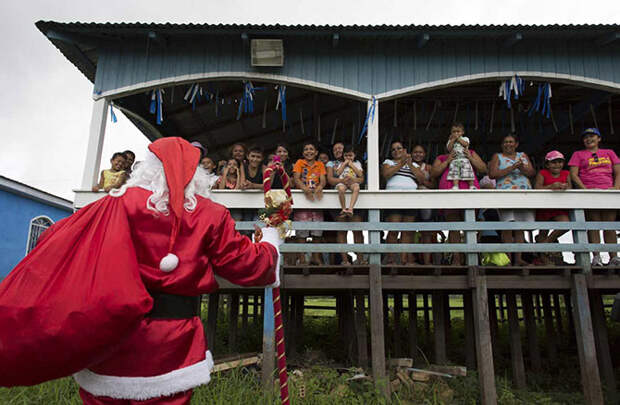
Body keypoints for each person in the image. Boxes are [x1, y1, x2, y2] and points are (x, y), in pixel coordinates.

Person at [0, 137, 283, 404]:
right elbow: (247, 265)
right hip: (171, 341)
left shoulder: (114, 203)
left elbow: (60, 237)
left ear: (147, 168)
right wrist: (270, 240)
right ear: (194, 173)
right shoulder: (209, 214)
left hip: (110, 330)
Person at [431, 125, 487, 265]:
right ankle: (456, 258)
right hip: (451, 191)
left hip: (469, 192)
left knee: (469, 225)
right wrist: (448, 160)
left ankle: (470, 259)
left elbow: (483, 169)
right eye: (453, 133)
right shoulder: (442, 157)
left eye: (458, 132)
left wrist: (470, 158)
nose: (456, 135)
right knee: (454, 225)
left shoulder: (471, 152)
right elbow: (434, 173)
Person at [568, 127, 620, 266]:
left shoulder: (609, 152)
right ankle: (596, 257)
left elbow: (618, 171)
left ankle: (613, 256)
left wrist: (616, 188)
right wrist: (585, 190)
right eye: (586, 137)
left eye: (592, 136)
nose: (589, 139)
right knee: (593, 223)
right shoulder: (578, 154)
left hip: (608, 191)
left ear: (599, 138)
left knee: (609, 225)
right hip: (590, 191)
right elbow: (573, 174)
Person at [488, 133, 536, 266]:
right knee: (507, 225)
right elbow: (492, 174)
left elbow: (532, 173)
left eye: (511, 142)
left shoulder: (523, 156)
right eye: (505, 142)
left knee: (520, 226)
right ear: (502, 145)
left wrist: (521, 167)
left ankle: (519, 258)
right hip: (505, 193)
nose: (508, 144)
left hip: (523, 193)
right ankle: (509, 259)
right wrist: (511, 168)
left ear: (516, 144)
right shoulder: (497, 157)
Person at [382, 140, 428, 265]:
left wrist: (410, 164)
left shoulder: (414, 165)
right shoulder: (388, 162)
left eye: (399, 148)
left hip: (410, 199)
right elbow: (386, 174)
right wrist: (401, 164)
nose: (396, 151)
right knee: (393, 229)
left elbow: (422, 179)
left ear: (405, 150)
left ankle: (403, 259)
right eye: (393, 149)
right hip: (393, 198)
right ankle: (391, 259)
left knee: (407, 231)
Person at [326, 142, 366, 265]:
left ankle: (360, 259)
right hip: (339, 198)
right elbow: (332, 179)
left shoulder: (356, 163)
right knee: (341, 230)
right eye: (335, 149)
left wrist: (353, 179)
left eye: (340, 148)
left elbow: (361, 178)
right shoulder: (331, 164)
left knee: (357, 230)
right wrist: (343, 180)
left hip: (354, 200)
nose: (338, 150)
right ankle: (344, 260)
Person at [293, 141, 326, 265]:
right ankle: (302, 259)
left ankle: (315, 257)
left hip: (316, 200)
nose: (309, 151)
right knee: (301, 233)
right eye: (306, 149)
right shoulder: (299, 163)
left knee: (317, 232)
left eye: (311, 149)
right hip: (302, 199)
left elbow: (322, 180)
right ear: (303, 153)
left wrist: (319, 188)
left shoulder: (320, 164)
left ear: (316, 152)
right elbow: (296, 179)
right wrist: (304, 189)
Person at [534, 150, 571, 245]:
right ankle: (542, 257)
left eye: (560, 162)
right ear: (547, 164)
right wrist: (551, 186)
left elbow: (570, 188)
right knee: (543, 232)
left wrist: (565, 187)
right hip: (544, 207)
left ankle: (546, 243)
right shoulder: (542, 173)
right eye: (553, 162)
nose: (557, 165)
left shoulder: (566, 173)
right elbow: (537, 188)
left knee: (566, 224)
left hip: (560, 207)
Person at [411, 144, 435, 264]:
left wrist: (422, 181)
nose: (418, 154)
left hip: (426, 201)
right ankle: (409, 260)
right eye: (415, 152)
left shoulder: (429, 168)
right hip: (411, 200)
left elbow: (434, 185)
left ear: (424, 154)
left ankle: (427, 262)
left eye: (420, 152)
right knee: (409, 230)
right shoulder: (408, 166)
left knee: (426, 231)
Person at [445, 123, 476, 189]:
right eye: (454, 132)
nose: (456, 133)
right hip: (455, 160)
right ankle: (455, 186)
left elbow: (465, 144)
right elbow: (449, 148)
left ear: (462, 132)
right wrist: (452, 140)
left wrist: (458, 139)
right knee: (455, 174)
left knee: (468, 172)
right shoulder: (450, 141)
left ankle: (472, 186)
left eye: (458, 131)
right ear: (451, 133)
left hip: (464, 159)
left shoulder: (465, 139)